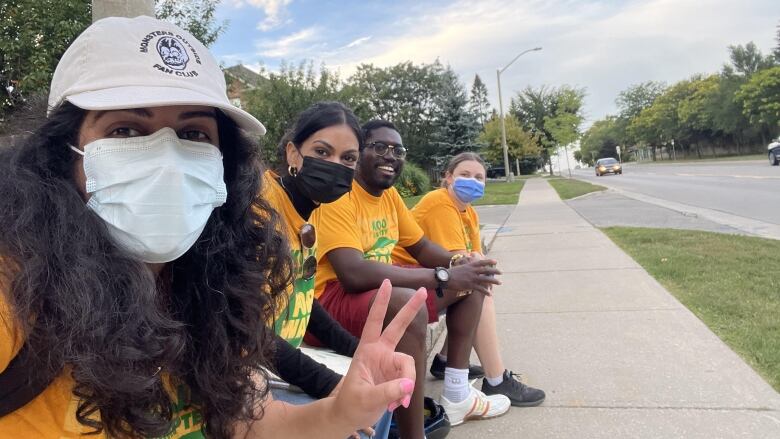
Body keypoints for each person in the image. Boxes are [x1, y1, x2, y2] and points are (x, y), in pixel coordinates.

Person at [0, 16, 421, 438]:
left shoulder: (213, 288)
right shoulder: (15, 294)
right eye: (126, 129)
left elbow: (251, 425)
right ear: (61, 152)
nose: (168, 159)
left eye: (193, 133)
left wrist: (339, 412)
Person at [309, 120, 510, 436]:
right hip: (330, 300)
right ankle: (410, 432)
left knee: (470, 283)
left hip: (377, 290)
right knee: (408, 303)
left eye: (397, 150)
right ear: (358, 152)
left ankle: (457, 393)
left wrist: (460, 262)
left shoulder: (388, 198)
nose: (390, 156)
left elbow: (421, 246)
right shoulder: (340, 195)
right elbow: (353, 273)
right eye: (379, 147)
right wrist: (443, 275)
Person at [262, 101, 392, 439]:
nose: (335, 165)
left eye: (347, 158)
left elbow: (301, 293)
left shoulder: (313, 205)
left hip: (279, 358)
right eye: (322, 151)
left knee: (377, 392)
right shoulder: (259, 210)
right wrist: (326, 384)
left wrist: (356, 348)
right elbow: (241, 327)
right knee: (358, 419)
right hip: (245, 368)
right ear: (293, 153)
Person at [393, 152, 546, 407]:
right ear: (448, 177)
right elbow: (462, 262)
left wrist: (480, 266)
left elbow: (476, 259)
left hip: (429, 275)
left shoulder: (469, 212)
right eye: (464, 175)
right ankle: (497, 380)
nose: (472, 181)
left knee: (479, 283)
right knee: (477, 286)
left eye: (479, 177)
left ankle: (444, 361)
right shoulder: (440, 202)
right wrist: (480, 268)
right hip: (405, 276)